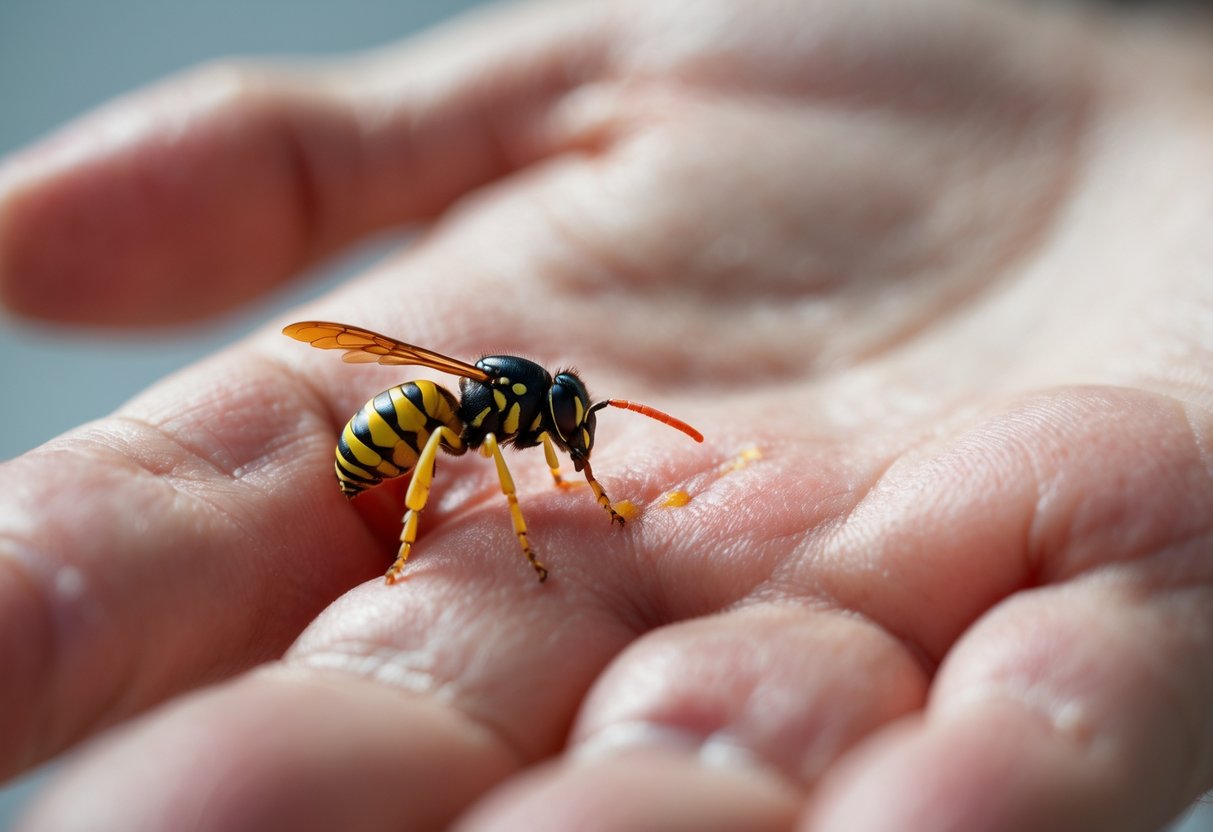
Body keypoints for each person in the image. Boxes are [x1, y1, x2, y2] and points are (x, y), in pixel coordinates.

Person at [1, 0, 1210, 829]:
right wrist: (479, 539)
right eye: (570, 422)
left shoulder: (535, 413)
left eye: (570, 423)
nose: (573, 432)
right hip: (398, 440)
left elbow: (544, 445)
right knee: (433, 449)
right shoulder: (488, 429)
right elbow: (489, 457)